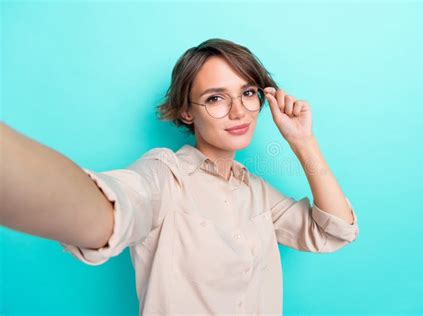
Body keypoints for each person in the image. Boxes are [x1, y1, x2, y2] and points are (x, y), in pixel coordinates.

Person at [0, 38, 359, 315]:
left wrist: (302, 140)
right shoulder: (165, 175)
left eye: (248, 93)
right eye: (216, 98)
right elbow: (118, 205)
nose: (238, 111)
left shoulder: (257, 192)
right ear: (187, 111)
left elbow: (333, 230)